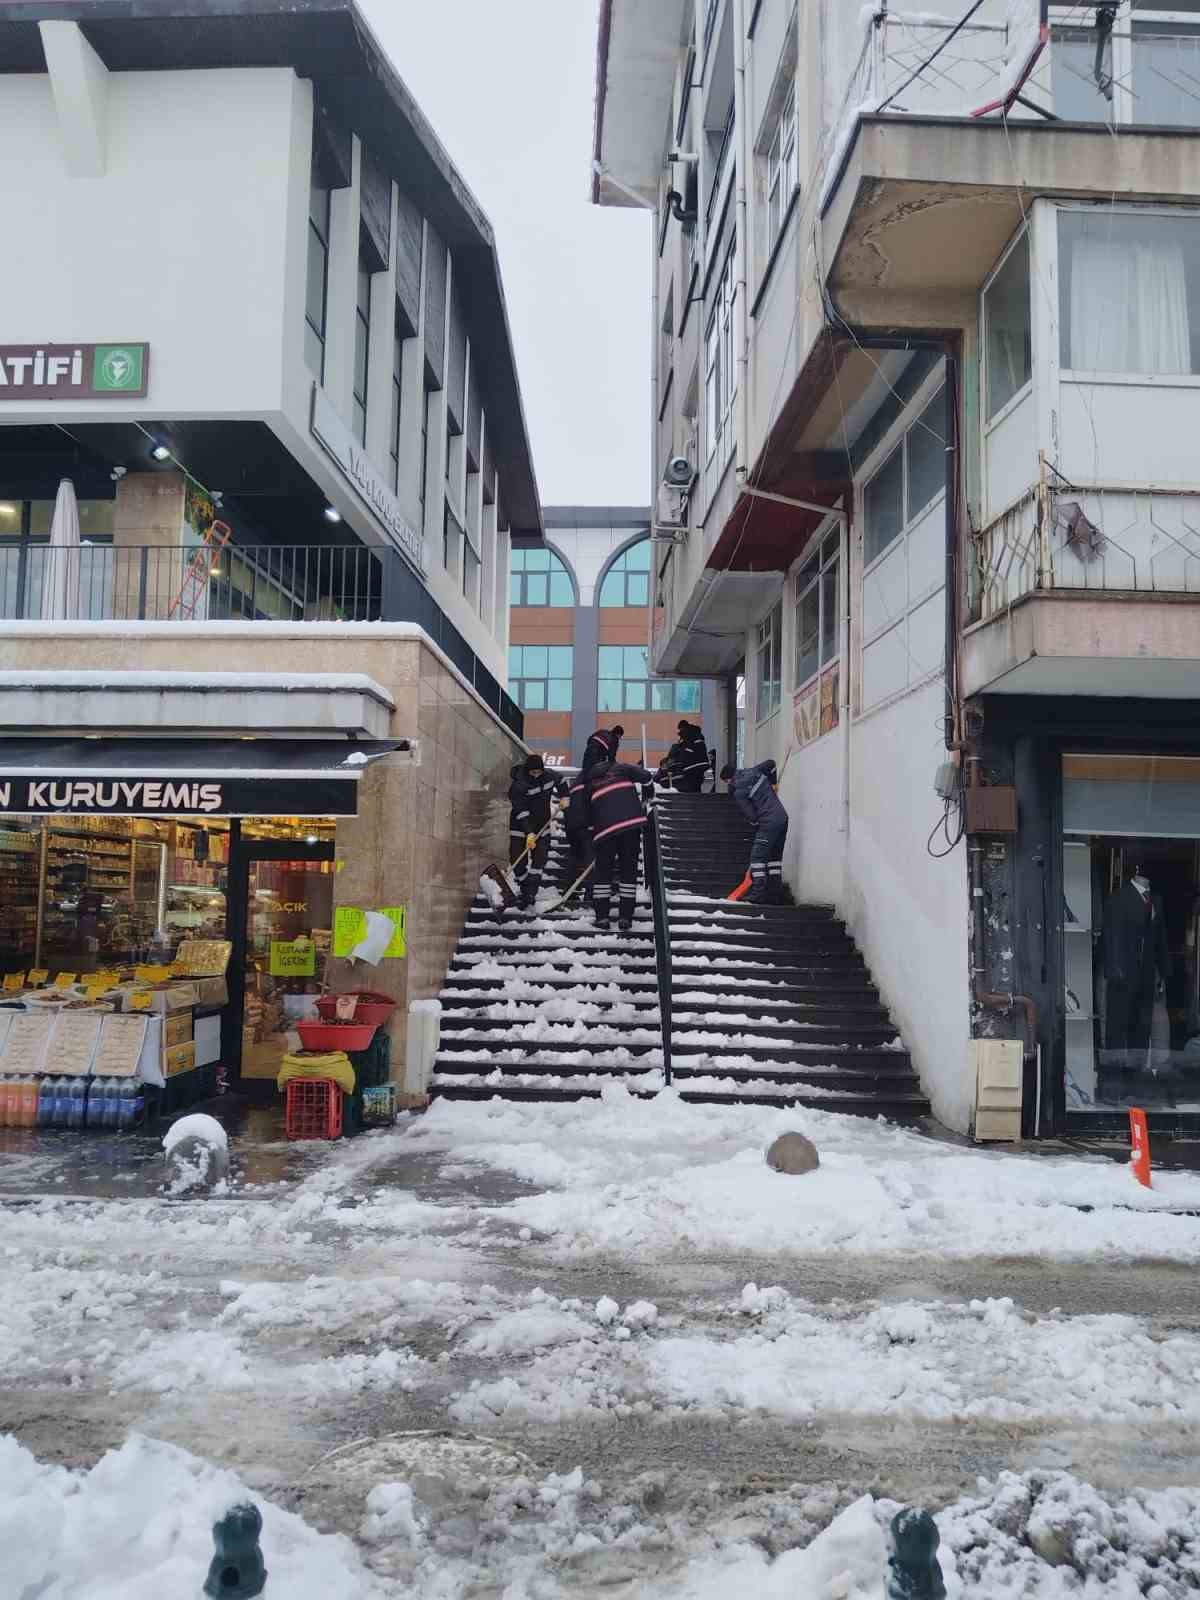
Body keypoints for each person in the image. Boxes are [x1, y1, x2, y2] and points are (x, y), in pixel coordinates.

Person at [585, 755, 655, 931]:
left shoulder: (588, 781)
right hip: (630, 826)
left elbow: (584, 810)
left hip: (604, 831)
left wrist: (590, 832)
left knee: (603, 873)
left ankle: (602, 917)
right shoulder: (622, 769)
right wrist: (648, 793)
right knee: (628, 871)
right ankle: (625, 917)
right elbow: (646, 776)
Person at [720, 758, 789, 904]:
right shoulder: (755, 771)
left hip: (768, 822)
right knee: (774, 859)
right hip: (782, 818)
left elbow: (751, 815)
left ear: (728, 780)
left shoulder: (739, 792)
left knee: (757, 859)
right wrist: (772, 783)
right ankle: (775, 893)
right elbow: (771, 763)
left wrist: (755, 823)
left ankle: (758, 893)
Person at [507, 753, 565, 910]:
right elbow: (520, 810)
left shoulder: (549, 775)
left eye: (539, 772)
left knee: (539, 859)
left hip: (542, 825)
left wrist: (564, 796)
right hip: (520, 826)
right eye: (533, 772)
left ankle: (530, 893)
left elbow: (561, 780)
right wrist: (529, 832)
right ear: (527, 770)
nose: (536, 775)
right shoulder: (518, 786)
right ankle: (525, 887)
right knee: (516, 858)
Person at [559, 768, 594, 902]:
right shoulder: (592, 783)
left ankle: (568, 890)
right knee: (590, 858)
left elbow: (567, 807)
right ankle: (590, 893)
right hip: (587, 826)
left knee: (574, 856)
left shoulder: (574, 785)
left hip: (572, 827)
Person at [663, 721, 710, 792]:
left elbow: (682, 755)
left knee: (690, 789)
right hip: (699, 766)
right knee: (696, 788)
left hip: (690, 768)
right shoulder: (697, 737)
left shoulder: (687, 739)